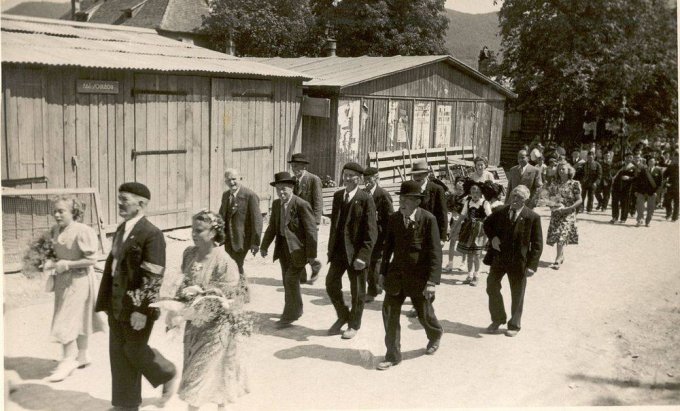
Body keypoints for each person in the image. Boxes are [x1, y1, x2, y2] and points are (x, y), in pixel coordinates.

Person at [95, 182, 177, 410]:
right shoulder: (122, 229)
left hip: (138, 305)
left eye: (125, 199)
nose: (119, 203)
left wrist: (142, 310)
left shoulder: (152, 234)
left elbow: (154, 275)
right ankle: (126, 404)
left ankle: (167, 372)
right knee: (118, 353)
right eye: (119, 198)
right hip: (116, 303)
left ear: (142, 203)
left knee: (133, 350)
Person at [176, 211, 249, 410]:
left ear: (214, 233)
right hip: (194, 328)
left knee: (204, 377)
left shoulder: (225, 262)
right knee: (195, 374)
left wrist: (205, 293)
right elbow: (183, 282)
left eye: (199, 230)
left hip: (217, 330)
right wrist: (181, 296)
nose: (193, 234)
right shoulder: (189, 253)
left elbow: (232, 299)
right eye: (192, 229)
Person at [377, 180, 443, 370]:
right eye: (401, 198)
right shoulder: (394, 219)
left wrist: (432, 281)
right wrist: (382, 273)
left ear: (417, 202)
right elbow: (387, 248)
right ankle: (393, 355)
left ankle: (435, 335)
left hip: (419, 279)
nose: (402, 202)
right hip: (396, 277)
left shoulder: (428, 220)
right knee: (389, 314)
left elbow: (435, 252)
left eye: (407, 199)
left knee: (425, 315)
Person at [43, 196, 105, 382]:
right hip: (63, 281)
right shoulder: (55, 230)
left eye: (61, 211)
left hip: (79, 281)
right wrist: (50, 261)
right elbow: (54, 252)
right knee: (76, 319)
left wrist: (68, 264)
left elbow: (92, 260)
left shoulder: (83, 231)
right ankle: (83, 356)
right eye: (55, 211)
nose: (57, 214)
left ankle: (68, 360)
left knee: (66, 319)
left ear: (74, 212)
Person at [326, 162, 377, 339]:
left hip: (357, 255)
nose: (347, 178)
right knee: (331, 284)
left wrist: (363, 256)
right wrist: (330, 250)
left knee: (357, 291)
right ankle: (343, 316)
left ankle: (354, 325)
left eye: (351, 176)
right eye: (345, 174)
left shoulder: (365, 199)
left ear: (359, 179)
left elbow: (371, 232)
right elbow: (334, 226)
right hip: (339, 252)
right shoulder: (338, 196)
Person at [483, 185, 543, 337]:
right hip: (499, 258)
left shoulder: (532, 217)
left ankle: (514, 325)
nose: (515, 200)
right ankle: (498, 319)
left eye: (520, 198)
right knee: (491, 286)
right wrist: (493, 237)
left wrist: (532, 266)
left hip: (519, 261)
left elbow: (537, 244)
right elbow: (487, 224)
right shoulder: (500, 211)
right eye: (514, 196)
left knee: (517, 293)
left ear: (526, 200)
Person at [260, 172, 318, 326]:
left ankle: (289, 315)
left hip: (298, 249)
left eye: (284, 189)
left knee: (290, 279)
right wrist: (264, 245)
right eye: (278, 189)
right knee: (288, 282)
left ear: (292, 187)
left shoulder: (301, 205)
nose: (281, 192)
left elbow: (311, 231)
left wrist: (311, 256)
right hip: (283, 248)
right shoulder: (277, 205)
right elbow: (272, 227)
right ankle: (296, 309)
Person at [218, 168, 263, 301]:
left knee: (236, 264)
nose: (232, 182)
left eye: (234, 179)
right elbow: (221, 217)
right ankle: (242, 292)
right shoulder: (226, 196)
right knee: (234, 265)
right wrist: (217, 235)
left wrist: (255, 242)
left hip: (242, 240)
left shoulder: (250, 196)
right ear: (225, 181)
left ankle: (241, 294)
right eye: (228, 180)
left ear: (240, 179)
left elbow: (257, 221)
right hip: (228, 239)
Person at [289, 153, 323, 284]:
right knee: (297, 247)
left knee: (309, 247)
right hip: (295, 222)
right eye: (292, 166)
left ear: (303, 167)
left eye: (296, 166)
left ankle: (315, 265)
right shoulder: (292, 180)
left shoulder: (313, 180)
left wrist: (316, 222)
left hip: (309, 221)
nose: (294, 169)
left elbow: (318, 202)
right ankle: (302, 276)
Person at [363, 167, 394, 303]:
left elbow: (390, 218)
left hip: (380, 235)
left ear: (376, 178)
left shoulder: (383, 195)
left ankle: (373, 290)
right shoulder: (363, 193)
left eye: (369, 179)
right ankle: (379, 284)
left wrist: (388, 237)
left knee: (375, 262)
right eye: (365, 180)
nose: (367, 182)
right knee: (369, 262)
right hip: (365, 235)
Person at [454, 180, 492, 286]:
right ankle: (469, 275)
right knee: (469, 254)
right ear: (470, 192)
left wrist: (489, 229)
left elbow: (490, 217)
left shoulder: (485, 203)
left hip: (480, 231)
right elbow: (462, 215)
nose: (475, 194)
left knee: (477, 254)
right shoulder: (468, 202)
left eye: (477, 192)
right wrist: (455, 227)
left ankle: (477, 275)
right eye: (473, 192)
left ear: (481, 193)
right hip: (468, 230)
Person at [545, 162, 582, 270]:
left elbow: (579, 199)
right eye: (559, 169)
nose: (561, 171)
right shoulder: (554, 183)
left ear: (569, 170)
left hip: (568, 213)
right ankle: (561, 256)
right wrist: (553, 205)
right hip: (557, 212)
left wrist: (569, 208)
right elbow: (549, 197)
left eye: (563, 169)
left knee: (562, 233)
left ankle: (557, 259)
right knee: (557, 234)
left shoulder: (574, 183)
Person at [410, 160, 448, 241]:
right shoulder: (411, 189)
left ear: (426, 174)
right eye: (415, 175)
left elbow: (443, 214)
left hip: (431, 232)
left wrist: (442, 237)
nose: (417, 178)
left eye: (420, 175)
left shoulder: (437, 189)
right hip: (415, 233)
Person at [443, 176, 467, 273]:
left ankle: (463, 262)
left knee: (464, 243)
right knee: (452, 242)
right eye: (457, 189)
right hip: (454, 221)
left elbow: (468, 212)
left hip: (463, 223)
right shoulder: (452, 197)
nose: (459, 191)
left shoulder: (467, 199)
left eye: (461, 189)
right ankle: (450, 262)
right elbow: (448, 209)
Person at [633, 156, 662, 227]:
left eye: (652, 161)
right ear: (647, 162)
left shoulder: (658, 171)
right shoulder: (643, 170)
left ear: (655, 162)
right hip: (642, 191)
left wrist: (656, 193)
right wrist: (636, 190)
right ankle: (640, 220)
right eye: (650, 161)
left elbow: (659, 184)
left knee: (651, 208)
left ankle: (648, 221)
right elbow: (638, 181)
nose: (651, 162)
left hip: (652, 192)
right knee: (640, 206)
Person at [610, 153, 637, 224]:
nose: (629, 159)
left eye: (631, 157)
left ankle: (623, 218)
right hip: (617, 186)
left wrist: (629, 178)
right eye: (628, 157)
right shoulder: (620, 165)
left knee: (624, 203)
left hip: (627, 188)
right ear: (625, 158)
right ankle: (614, 217)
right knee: (615, 202)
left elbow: (636, 178)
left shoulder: (634, 167)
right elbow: (613, 171)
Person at [663, 150, 679, 222]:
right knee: (667, 201)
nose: (676, 160)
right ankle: (669, 213)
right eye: (675, 158)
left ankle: (674, 217)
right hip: (670, 186)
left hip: (678, 188)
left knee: (677, 203)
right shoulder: (670, 167)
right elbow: (664, 176)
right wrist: (666, 182)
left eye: (677, 158)